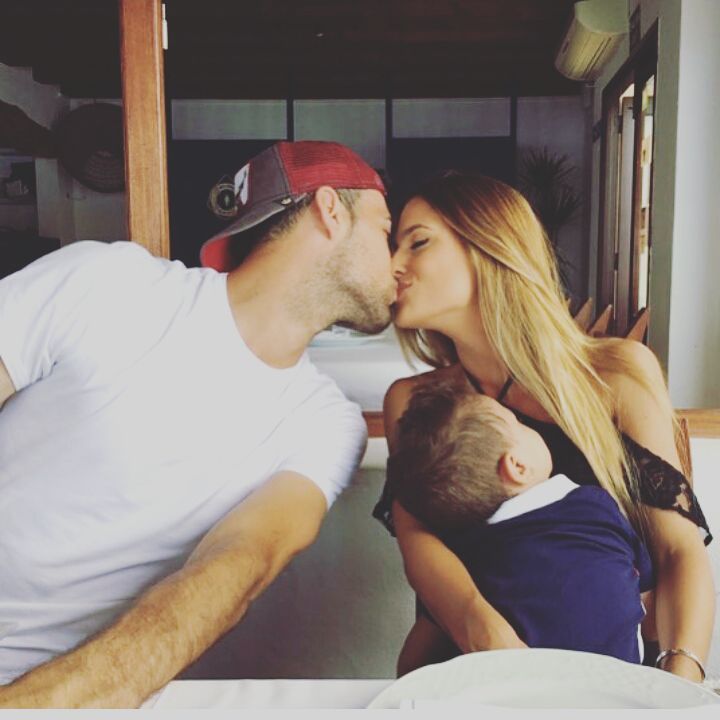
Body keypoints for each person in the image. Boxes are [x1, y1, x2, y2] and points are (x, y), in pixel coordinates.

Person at [0, 141, 396, 708]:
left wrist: (44, 705)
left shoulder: (325, 426)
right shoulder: (109, 283)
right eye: (386, 230)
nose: (397, 262)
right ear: (331, 210)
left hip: (79, 695)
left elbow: (239, 566)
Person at [374, 171, 714, 682]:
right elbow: (418, 543)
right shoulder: (413, 402)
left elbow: (677, 550)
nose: (393, 265)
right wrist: (487, 637)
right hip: (463, 677)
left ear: (490, 247)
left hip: (611, 681)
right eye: (393, 246)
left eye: (417, 242)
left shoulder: (616, 376)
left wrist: (680, 683)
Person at [387, 377, 654, 669]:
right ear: (517, 466)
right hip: (618, 685)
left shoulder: (466, 553)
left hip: (509, 689)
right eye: (518, 423)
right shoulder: (595, 506)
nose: (526, 426)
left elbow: (418, 653)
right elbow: (646, 596)